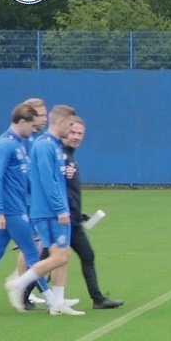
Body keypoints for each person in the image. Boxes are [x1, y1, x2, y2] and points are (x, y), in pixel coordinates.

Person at [23, 118, 123, 309]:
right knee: (52, 259)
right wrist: (61, 212)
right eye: (73, 132)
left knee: (79, 256)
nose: (76, 137)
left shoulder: (68, 156)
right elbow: (53, 188)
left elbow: (68, 191)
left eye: (80, 133)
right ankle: (21, 290)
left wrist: (78, 212)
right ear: (64, 131)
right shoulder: (57, 154)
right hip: (60, 220)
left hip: (70, 218)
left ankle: (97, 299)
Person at [5, 105, 85, 316]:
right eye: (70, 125)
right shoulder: (44, 146)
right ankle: (19, 283)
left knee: (63, 256)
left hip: (54, 211)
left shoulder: (55, 146)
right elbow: (47, 181)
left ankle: (57, 303)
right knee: (58, 257)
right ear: (59, 123)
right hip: (48, 213)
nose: (72, 130)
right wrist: (60, 209)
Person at [0, 103, 52, 313]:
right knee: (33, 254)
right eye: (32, 125)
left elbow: (26, 177)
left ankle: (51, 299)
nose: (35, 129)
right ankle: (53, 300)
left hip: (18, 208)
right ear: (21, 122)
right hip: (12, 212)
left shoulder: (21, 142)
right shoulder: (5, 144)